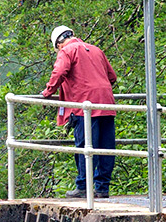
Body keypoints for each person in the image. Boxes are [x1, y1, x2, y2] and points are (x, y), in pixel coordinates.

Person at [42, 25, 118, 199]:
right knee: (106, 147)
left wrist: (48, 92)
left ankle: (83, 186)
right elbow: (112, 77)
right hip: (106, 103)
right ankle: (102, 188)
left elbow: (60, 71)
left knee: (85, 146)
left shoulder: (67, 51)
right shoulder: (96, 50)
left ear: (59, 44)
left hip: (85, 106)